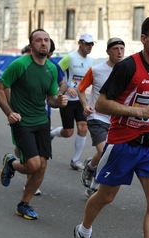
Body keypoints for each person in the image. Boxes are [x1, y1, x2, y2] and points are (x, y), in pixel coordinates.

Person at [73, 16, 149, 238]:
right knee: (106, 197)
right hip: (122, 142)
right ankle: (84, 231)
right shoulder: (127, 67)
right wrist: (141, 112)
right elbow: (102, 103)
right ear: (143, 39)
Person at [0, 29, 68, 220]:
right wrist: (10, 113)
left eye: (46, 40)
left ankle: (23, 204)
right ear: (31, 45)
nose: (43, 43)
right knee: (33, 164)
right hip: (22, 121)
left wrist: (58, 102)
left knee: (42, 166)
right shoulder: (20, 64)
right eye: (39, 40)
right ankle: (12, 162)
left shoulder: (51, 68)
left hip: (42, 121)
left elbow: (51, 98)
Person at [15, 38, 67, 196]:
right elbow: (5, 87)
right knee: (28, 154)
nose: (47, 57)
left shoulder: (52, 67)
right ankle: (17, 161)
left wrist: (58, 95)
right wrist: (12, 110)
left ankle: (30, 185)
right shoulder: (22, 64)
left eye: (50, 54)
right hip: (24, 117)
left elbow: (63, 83)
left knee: (39, 159)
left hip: (44, 116)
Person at [77, 37, 126, 198]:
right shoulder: (96, 70)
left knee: (109, 152)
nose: (119, 52)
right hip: (96, 116)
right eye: (115, 49)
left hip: (116, 119)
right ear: (108, 52)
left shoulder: (127, 70)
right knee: (106, 151)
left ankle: (91, 166)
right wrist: (86, 106)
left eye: (122, 49)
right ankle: (94, 186)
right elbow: (81, 89)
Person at [50, 33, 95, 171]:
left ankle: (75, 160)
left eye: (91, 44)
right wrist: (67, 87)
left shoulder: (91, 61)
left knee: (83, 127)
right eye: (87, 43)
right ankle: (51, 134)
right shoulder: (69, 58)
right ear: (80, 43)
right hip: (67, 100)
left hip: (81, 100)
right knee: (68, 132)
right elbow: (55, 72)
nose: (90, 46)